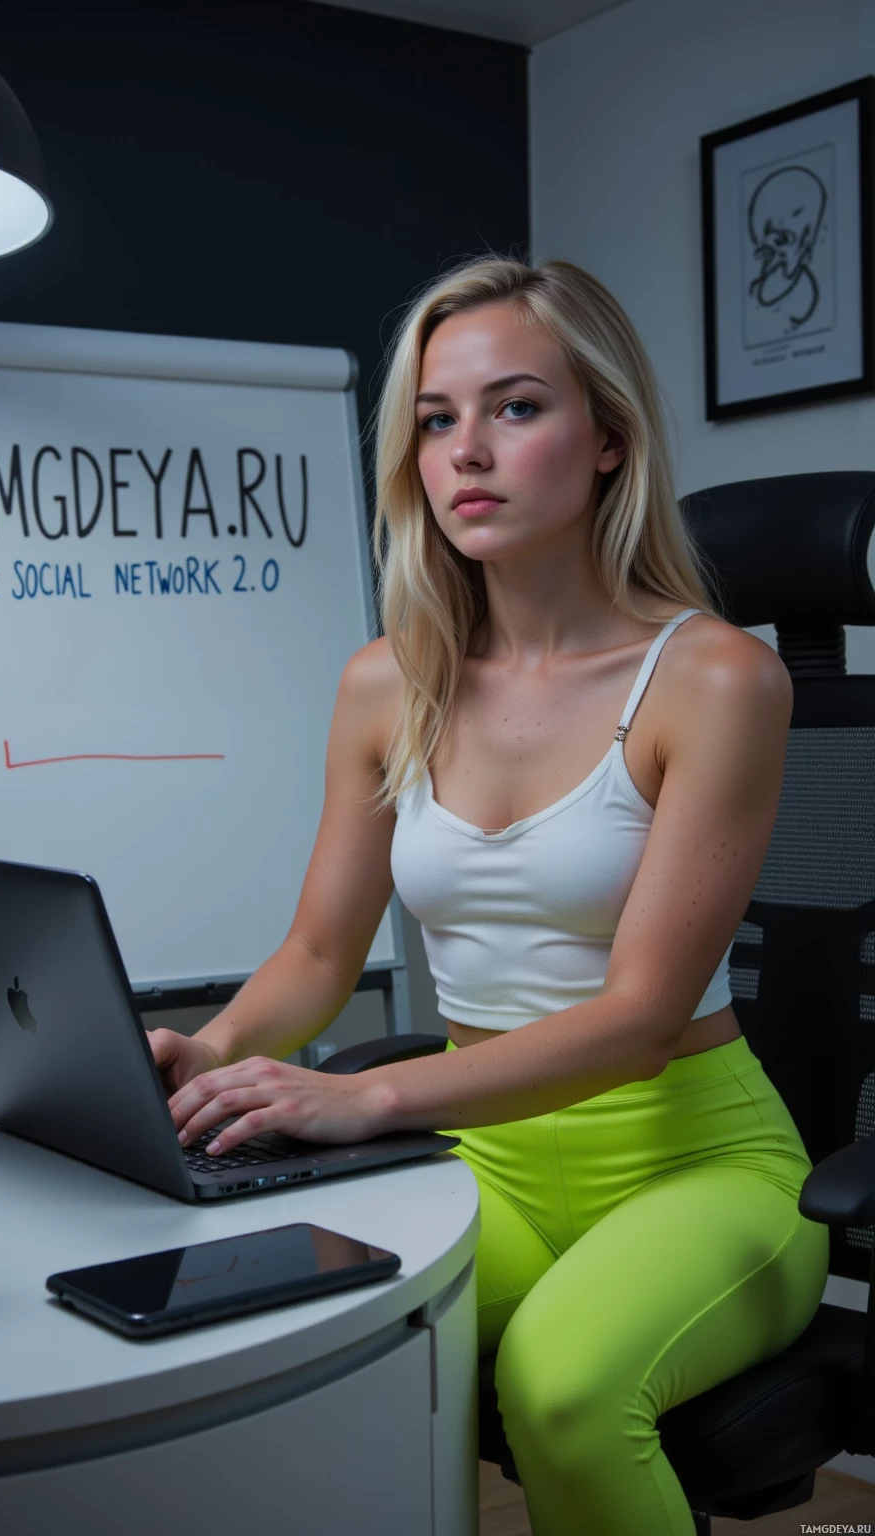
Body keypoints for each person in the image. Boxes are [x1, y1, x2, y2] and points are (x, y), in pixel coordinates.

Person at [148, 256, 829, 1536]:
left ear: (610, 438)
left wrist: (365, 1094)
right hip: (490, 1168)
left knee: (561, 1389)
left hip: (699, 1164)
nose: (466, 451)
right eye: (436, 418)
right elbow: (314, 954)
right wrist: (215, 1050)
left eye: (515, 407)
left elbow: (638, 1013)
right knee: (323, 1359)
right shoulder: (382, 683)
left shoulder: (717, 681)